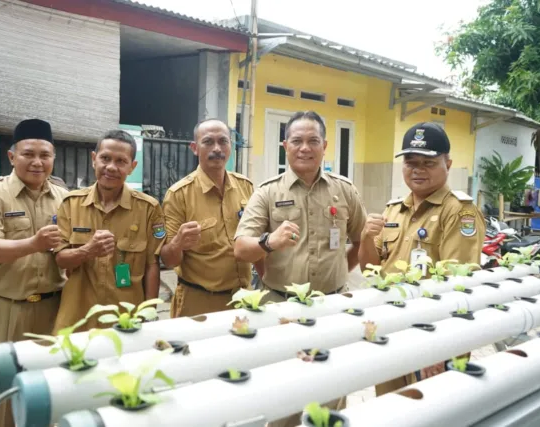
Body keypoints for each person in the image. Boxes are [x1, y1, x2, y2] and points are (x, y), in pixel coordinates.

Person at [234, 111, 367, 427]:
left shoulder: (344, 190)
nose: (305, 148)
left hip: (333, 307)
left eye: (313, 141)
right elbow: (241, 247)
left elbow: (361, 239)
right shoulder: (267, 192)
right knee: (283, 395)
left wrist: (340, 274)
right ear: (285, 146)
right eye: (297, 141)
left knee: (332, 394)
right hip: (282, 309)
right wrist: (269, 242)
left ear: (325, 146)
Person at [359, 121, 486, 396]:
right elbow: (369, 270)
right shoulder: (394, 211)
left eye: (428, 162)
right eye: (410, 162)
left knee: (433, 412)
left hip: (433, 335)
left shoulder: (459, 212)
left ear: (448, 164)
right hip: (393, 329)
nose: (417, 169)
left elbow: (458, 284)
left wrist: (440, 346)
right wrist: (366, 237)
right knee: (391, 408)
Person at [0, 118, 67, 427]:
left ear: (53, 158)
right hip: (1, 308)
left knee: (46, 394)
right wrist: (34, 243)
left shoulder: (65, 198)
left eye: (44, 155)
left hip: (52, 307)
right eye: (28, 154)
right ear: (12, 156)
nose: (37, 162)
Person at [52, 130, 166, 333]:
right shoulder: (71, 204)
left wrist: (149, 314)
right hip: (78, 318)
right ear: (94, 159)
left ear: (132, 167)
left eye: (121, 161)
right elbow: (61, 259)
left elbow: (151, 265)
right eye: (105, 158)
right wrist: (88, 250)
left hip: (127, 319)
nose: (111, 167)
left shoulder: (148, 208)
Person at [160, 119, 257, 317]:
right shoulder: (179, 195)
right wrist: (178, 243)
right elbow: (168, 260)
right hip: (199, 304)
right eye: (208, 142)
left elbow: (256, 241)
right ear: (195, 148)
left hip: (243, 300)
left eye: (223, 141)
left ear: (231, 145)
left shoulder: (246, 187)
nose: (217, 148)